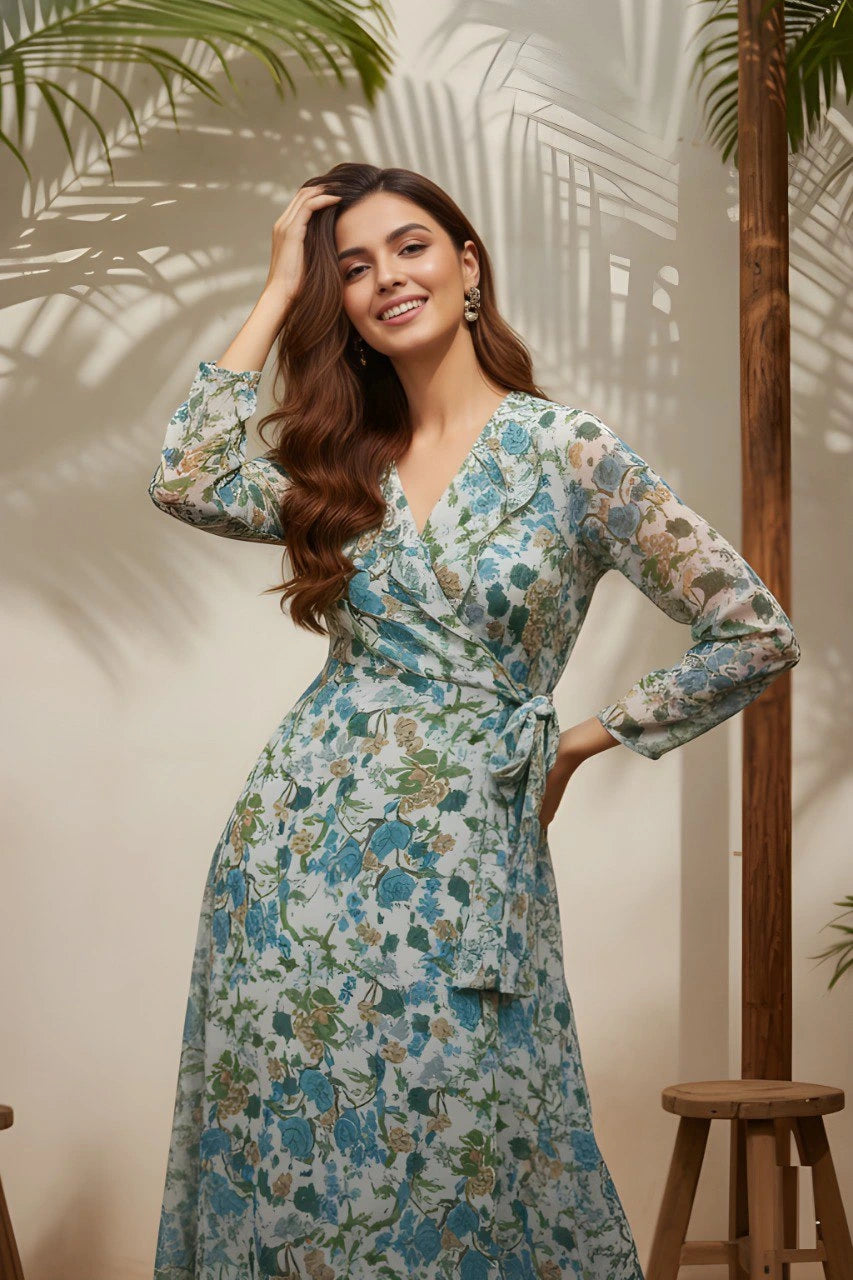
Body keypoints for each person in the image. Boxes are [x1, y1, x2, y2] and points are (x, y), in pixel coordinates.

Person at [147, 163, 800, 1280]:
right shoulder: (342, 466)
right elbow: (186, 475)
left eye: (409, 246)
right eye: (350, 268)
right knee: (299, 1156)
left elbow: (752, 629)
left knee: (470, 1150)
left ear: (468, 263)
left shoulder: (568, 454)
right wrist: (273, 285)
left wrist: (584, 739)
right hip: (294, 858)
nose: (384, 278)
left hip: (462, 859)